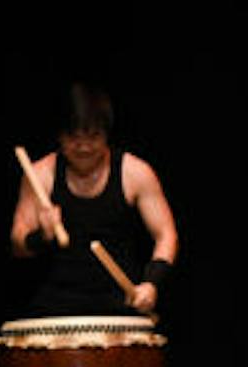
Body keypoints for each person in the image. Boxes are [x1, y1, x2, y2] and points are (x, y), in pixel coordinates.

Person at [9, 82, 178, 317]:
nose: (84, 147)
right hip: (55, 309)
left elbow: (166, 234)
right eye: (74, 137)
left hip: (120, 308)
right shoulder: (40, 174)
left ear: (107, 135)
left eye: (93, 137)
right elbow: (18, 246)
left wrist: (151, 283)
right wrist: (41, 236)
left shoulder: (135, 173)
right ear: (60, 136)